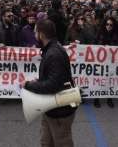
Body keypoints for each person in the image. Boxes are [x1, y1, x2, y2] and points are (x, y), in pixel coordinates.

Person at [24, 19, 76, 147]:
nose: (35, 35)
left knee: (62, 142)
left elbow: (53, 85)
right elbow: (54, 78)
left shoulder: (53, 54)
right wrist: (40, 81)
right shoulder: (51, 49)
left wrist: (28, 85)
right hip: (50, 108)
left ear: (41, 34)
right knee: (46, 141)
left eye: (36, 32)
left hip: (60, 110)